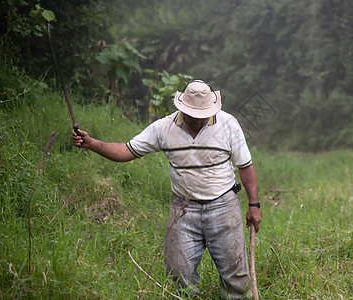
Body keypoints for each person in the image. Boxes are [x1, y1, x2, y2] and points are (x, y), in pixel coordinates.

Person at [71, 80, 262, 299]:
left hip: (224, 206)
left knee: (236, 276)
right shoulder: (163, 127)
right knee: (179, 272)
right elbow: (127, 150)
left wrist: (254, 205)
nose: (199, 119)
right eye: (193, 114)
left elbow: (245, 167)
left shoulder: (228, 124)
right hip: (183, 208)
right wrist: (92, 144)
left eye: (203, 114)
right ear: (182, 109)